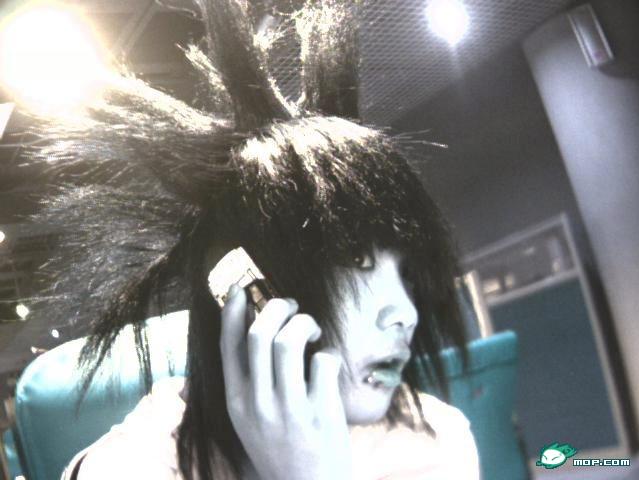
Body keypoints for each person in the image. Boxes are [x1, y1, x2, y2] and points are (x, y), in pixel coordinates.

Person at [27, 0, 479, 478]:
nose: (406, 314)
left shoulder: (434, 440)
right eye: (356, 258)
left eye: (407, 274)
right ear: (250, 291)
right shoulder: (135, 463)